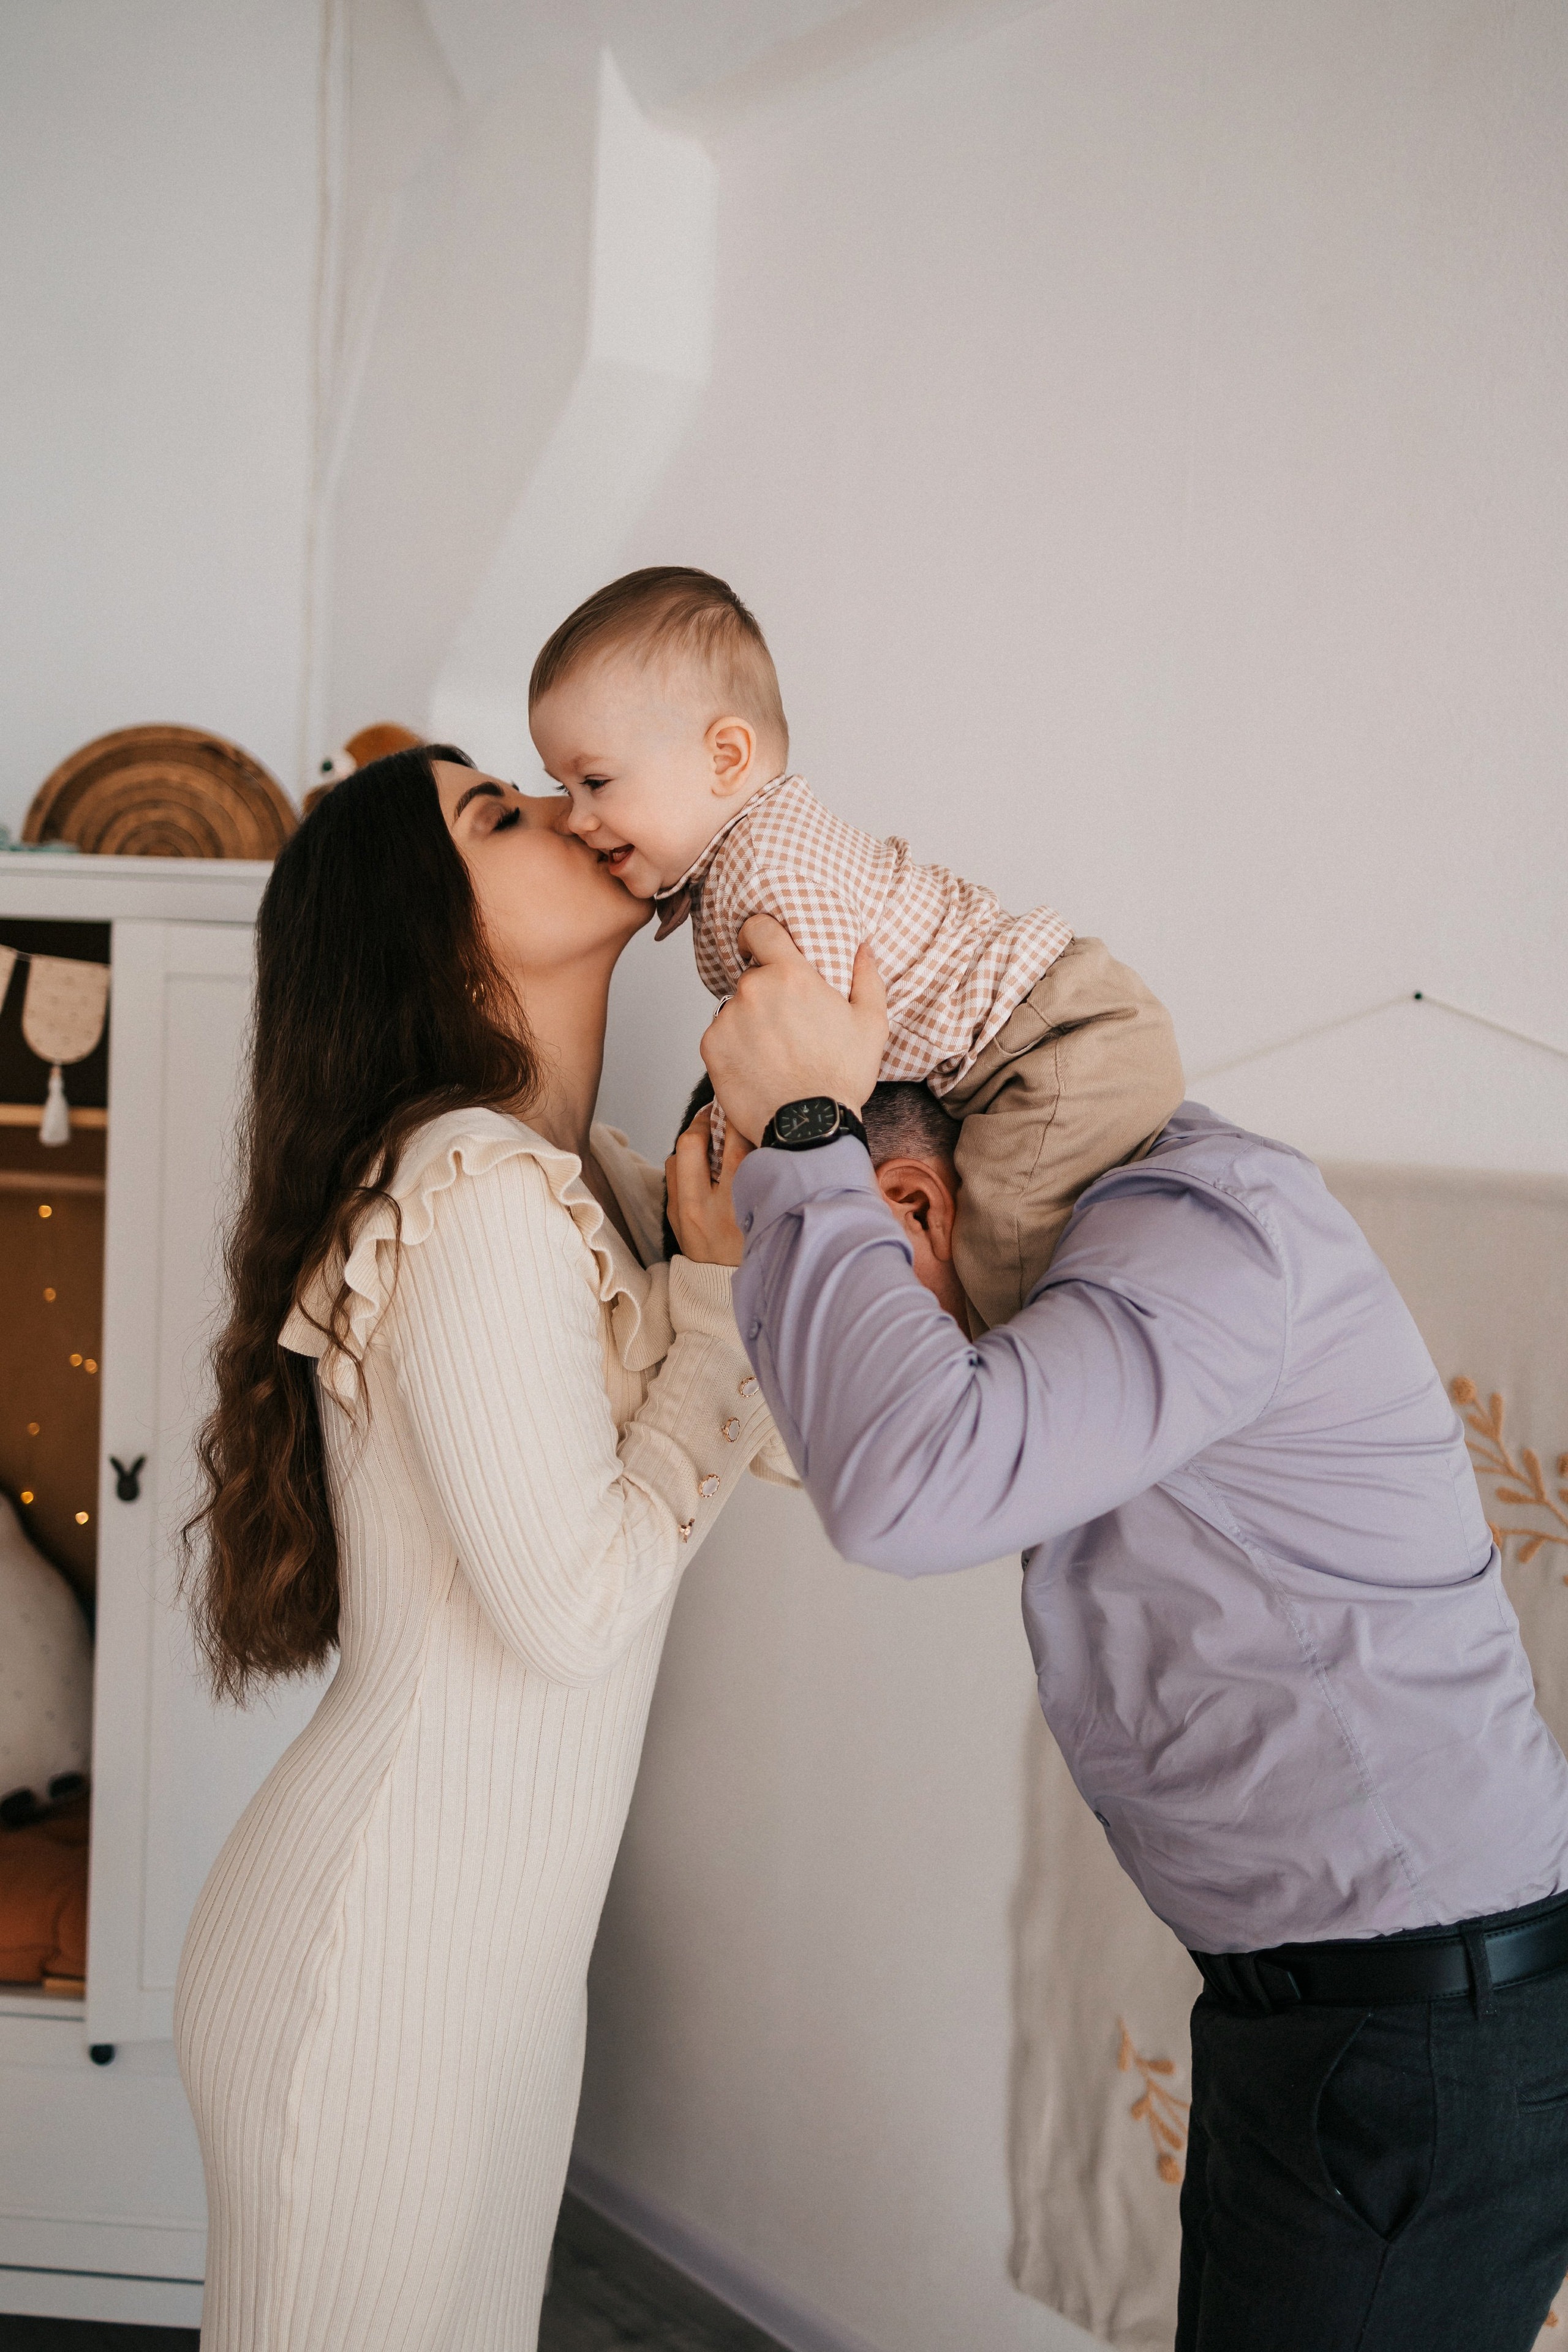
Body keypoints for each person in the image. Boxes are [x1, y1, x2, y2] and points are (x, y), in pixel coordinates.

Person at [679, 911, 1568, 2352]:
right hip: (1318, 2017)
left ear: (905, 1200)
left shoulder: (1190, 1228)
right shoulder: (1092, 1282)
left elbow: (904, 1483)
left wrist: (796, 1126)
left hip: (1420, 2033)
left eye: (839, 1267)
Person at [175, 745, 778, 2352]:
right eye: (496, 816)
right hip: (376, 1973)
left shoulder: (606, 1186)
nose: (568, 811)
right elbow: (576, 1608)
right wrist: (719, 1310)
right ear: (430, 936)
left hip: (501, 1972)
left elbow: (767, 1444)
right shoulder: (478, 1199)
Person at [529, 564, 1183, 1330]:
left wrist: (723, 1165)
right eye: (563, 787)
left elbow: (816, 1057)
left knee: (1007, 1267)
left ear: (726, 758)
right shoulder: (744, 857)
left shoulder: (768, 870)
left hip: (1064, 1041)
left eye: (596, 783)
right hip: (1048, 1033)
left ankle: (1006, 1410)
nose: (574, 818)